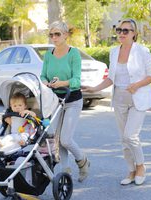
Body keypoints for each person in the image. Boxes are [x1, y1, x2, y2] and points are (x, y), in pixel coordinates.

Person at [82, 19, 151, 185]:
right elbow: (111, 78)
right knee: (124, 139)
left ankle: (141, 166)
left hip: (138, 98)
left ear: (134, 34)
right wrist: (94, 89)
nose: (122, 33)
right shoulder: (114, 52)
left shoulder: (142, 51)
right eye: (119, 30)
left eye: (126, 31)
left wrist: (136, 85)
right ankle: (131, 171)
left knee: (131, 135)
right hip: (119, 99)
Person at [40, 21, 90, 182]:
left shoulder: (73, 53)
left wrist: (61, 83)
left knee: (66, 139)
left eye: (57, 34)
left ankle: (83, 161)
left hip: (72, 98)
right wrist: (45, 83)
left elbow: (76, 80)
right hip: (55, 100)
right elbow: (43, 75)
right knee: (57, 139)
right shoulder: (48, 54)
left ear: (66, 35)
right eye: (51, 34)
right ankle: (65, 172)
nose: (54, 37)